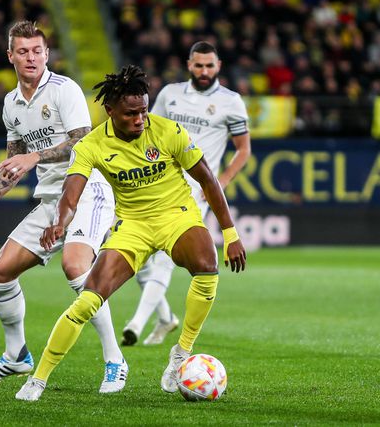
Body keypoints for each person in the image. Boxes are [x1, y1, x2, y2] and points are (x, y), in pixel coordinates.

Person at [15, 65, 246, 401]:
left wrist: (230, 233)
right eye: (130, 114)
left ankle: (181, 354)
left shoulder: (168, 131)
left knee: (207, 266)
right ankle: (38, 379)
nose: (140, 120)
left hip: (176, 215)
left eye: (143, 111)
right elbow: (70, 193)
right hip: (132, 225)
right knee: (87, 301)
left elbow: (208, 180)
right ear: (110, 111)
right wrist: (59, 223)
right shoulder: (91, 145)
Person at [0, 21, 127, 393]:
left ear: (47, 54)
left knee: (75, 266)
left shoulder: (64, 89)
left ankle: (115, 360)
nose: (31, 57)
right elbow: (13, 165)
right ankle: (16, 355)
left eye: (37, 51)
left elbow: (82, 142)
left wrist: (34, 157)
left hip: (89, 190)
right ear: (10, 56)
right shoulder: (11, 104)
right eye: (23, 51)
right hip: (51, 198)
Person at [121, 41, 251, 347]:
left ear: (218, 66)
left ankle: (136, 324)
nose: (204, 71)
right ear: (189, 64)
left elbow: (243, 149)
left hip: (195, 190)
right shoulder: (170, 94)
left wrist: (221, 181)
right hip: (157, 182)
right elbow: (147, 132)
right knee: (137, 255)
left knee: (163, 262)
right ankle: (166, 318)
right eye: (198, 65)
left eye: (209, 65)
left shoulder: (231, 102)